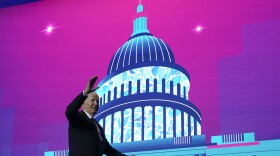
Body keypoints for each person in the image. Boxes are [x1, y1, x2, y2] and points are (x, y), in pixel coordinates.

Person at [65, 76, 127, 156]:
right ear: (83, 103)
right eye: (92, 100)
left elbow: (109, 150)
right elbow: (70, 111)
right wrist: (85, 92)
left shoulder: (99, 127)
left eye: (97, 101)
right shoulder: (77, 118)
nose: (96, 103)